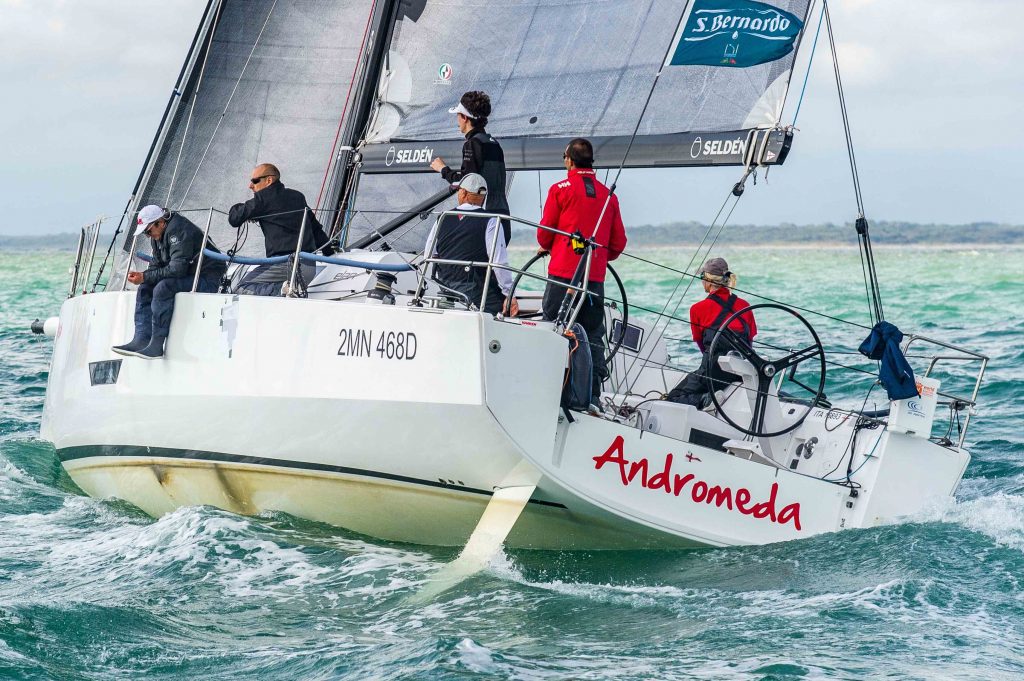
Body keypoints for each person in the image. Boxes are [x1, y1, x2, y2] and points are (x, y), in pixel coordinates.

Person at [538, 138, 627, 409]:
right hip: (594, 279)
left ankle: (550, 391)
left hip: (562, 274)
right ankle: (593, 397)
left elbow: (544, 235)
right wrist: (598, 260)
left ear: (569, 160)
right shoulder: (609, 195)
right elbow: (618, 243)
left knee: (554, 328)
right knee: (592, 334)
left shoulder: (559, 190)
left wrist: (552, 248)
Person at [112, 205, 227, 359]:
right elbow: (156, 264)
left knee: (163, 288)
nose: (148, 236)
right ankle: (141, 339)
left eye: (148, 231)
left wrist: (145, 276)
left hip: (207, 278)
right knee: (145, 287)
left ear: (160, 222)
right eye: (145, 233)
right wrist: (143, 276)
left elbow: (178, 269)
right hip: (190, 275)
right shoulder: (157, 235)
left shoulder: (178, 231)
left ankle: (156, 345)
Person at [228, 163, 334, 296]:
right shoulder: (298, 196)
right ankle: (288, 290)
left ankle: (283, 290)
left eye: (255, 181)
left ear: (269, 180)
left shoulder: (263, 199)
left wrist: (239, 208)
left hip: (284, 266)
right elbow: (315, 229)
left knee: (242, 287)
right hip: (308, 268)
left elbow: (234, 218)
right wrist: (330, 252)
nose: (250, 186)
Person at [667, 257, 758, 407]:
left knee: (674, 397)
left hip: (714, 372)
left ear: (708, 281)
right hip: (741, 371)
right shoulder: (745, 306)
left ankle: (706, 399)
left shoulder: (697, 309)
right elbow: (749, 342)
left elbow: (702, 347)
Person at [424, 173, 518, 316]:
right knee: (503, 307)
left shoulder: (443, 217)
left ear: (463, 193)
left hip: (445, 286)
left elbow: (429, 254)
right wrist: (509, 294)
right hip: (475, 290)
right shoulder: (491, 220)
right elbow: (499, 262)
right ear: (483, 197)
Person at [429, 91, 511, 244]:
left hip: (484, 219)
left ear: (465, 118)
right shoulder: (494, 143)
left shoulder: (473, 144)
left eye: (458, 115)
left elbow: (466, 183)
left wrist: (443, 169)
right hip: (502, 216)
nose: (457, 120)